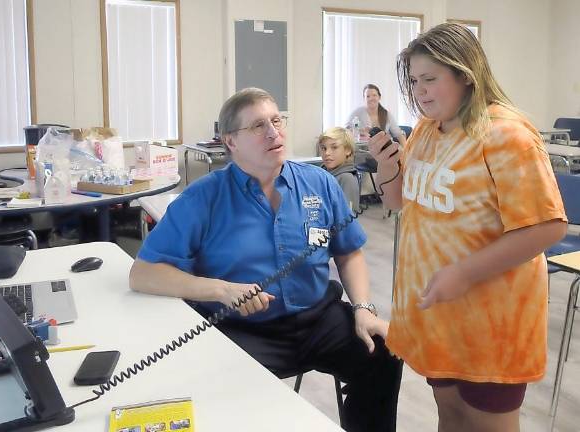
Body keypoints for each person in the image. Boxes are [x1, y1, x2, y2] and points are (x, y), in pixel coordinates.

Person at [130, 87, 402, 432]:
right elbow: (143, 273)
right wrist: (221, 290)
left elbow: (349, 252)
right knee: (224, 401)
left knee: (385, 353)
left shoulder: (318, 184)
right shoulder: (204, 197)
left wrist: (363, 306)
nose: (274, 132)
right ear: (231, 141)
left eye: (276, 120)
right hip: (242, 330)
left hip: (318, 318)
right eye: (258, 126)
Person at [367, 23, 567, 431]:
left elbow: (547, 228)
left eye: (430, 79)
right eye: (414, 81)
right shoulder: (426, 129)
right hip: (439, 314)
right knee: (451, 417)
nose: (420, 91)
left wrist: (462, 273)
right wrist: (387, 169)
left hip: (492, 320)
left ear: (465, 75)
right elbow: (399, 202)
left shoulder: (506, 135)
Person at [318, 127, 360, 212]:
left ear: (347, 150)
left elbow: (347, 218)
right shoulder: (320, 173)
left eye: (334, 147)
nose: (327, 153)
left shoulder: (347, 179)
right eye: (323, 148)